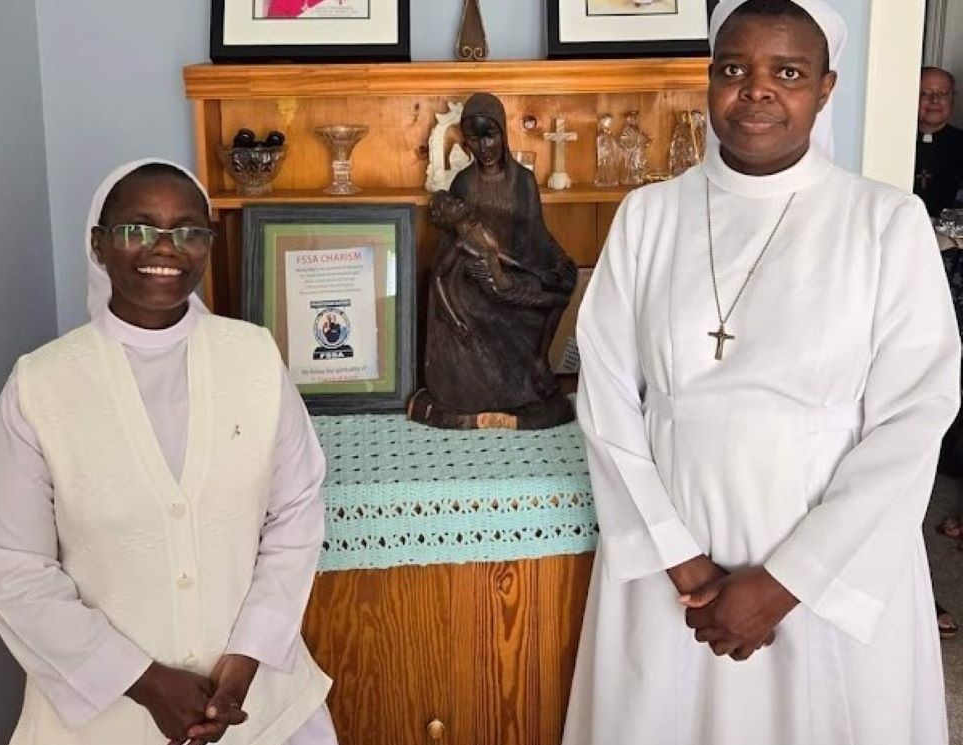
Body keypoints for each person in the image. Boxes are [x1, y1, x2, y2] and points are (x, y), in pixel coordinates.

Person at [562, 1, 959, 744]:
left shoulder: (884, 221)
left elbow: (914, 416)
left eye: (789, 72)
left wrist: (787, 582)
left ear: (826, 88)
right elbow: (607, 396)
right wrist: (678, 558)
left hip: (828, 559)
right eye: (734, 69)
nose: (757, 90)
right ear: (710, 80)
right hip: (674, 552)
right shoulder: (648, 215)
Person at [0, 160, 337, 745]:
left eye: (189, 230)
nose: (165, 248)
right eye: (137, 229)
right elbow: (12, 565)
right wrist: (144, 682)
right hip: (102, 721)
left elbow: (295, 511)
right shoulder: (41, 385)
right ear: (98, 244)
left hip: (263, 708)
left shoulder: (254, 357)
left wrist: (248, 656)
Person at [409, 92, 578, 430]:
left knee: (562, 291)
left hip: (517, 267)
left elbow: (538, 233)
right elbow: (450, 250)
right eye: (474, 138)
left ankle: (538, 364)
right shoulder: (464, 184)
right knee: (514, 302)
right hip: (474, 283)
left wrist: (560, 261)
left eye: (490, 135)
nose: (484, 146)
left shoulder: (523, 182)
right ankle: (499, 383)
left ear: (503, 133)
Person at [915, 66, 963, 217]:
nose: (934, 100)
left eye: (942, 93)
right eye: (925, 93)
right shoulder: (894, 141)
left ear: (952, 99)